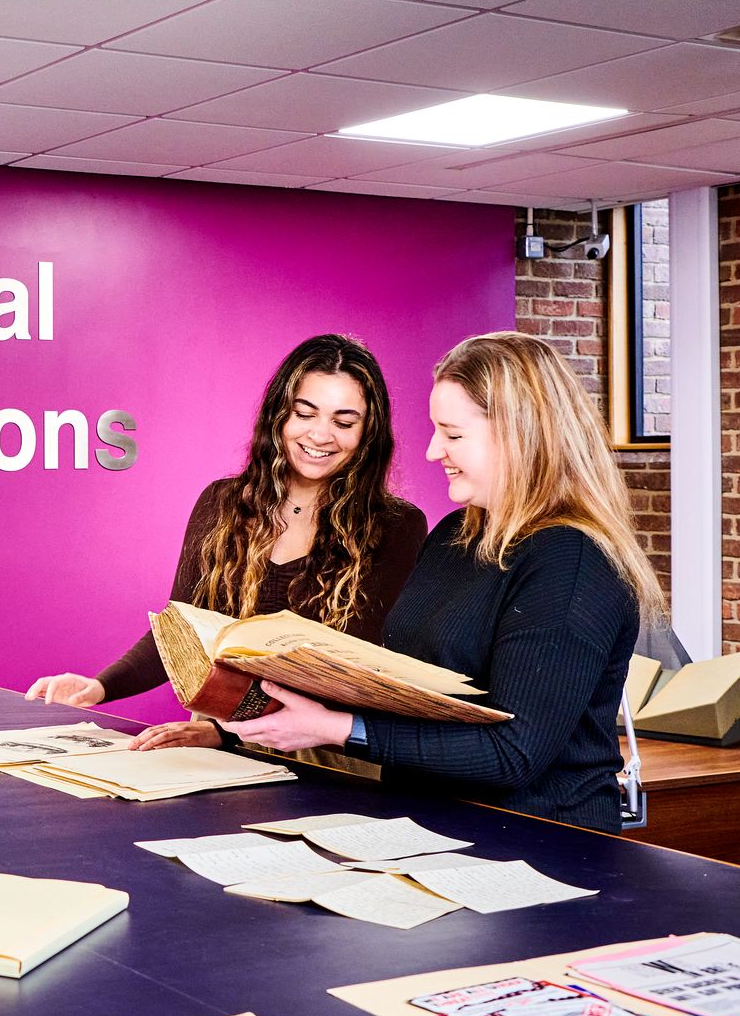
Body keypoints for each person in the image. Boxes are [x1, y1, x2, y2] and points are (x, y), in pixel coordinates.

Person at [228, 331, 662, 833]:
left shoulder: (573, 561)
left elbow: (514, 754)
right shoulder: (455, 533)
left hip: (537, 847)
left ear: (522, 435)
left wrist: (338, 729)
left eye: (453, 435)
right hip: (424, 831)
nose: (435, 451)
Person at [27, 334, 427, 750]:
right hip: (221, 743)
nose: (321, 435)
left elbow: (348, 671)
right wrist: (99, 686)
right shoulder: (222, 503)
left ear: (369, 433)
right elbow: (181, 628)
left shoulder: (396, 526)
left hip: (324, 754)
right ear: (279, 415)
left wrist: (223, 734)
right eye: (304, 413)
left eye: (344, 422)